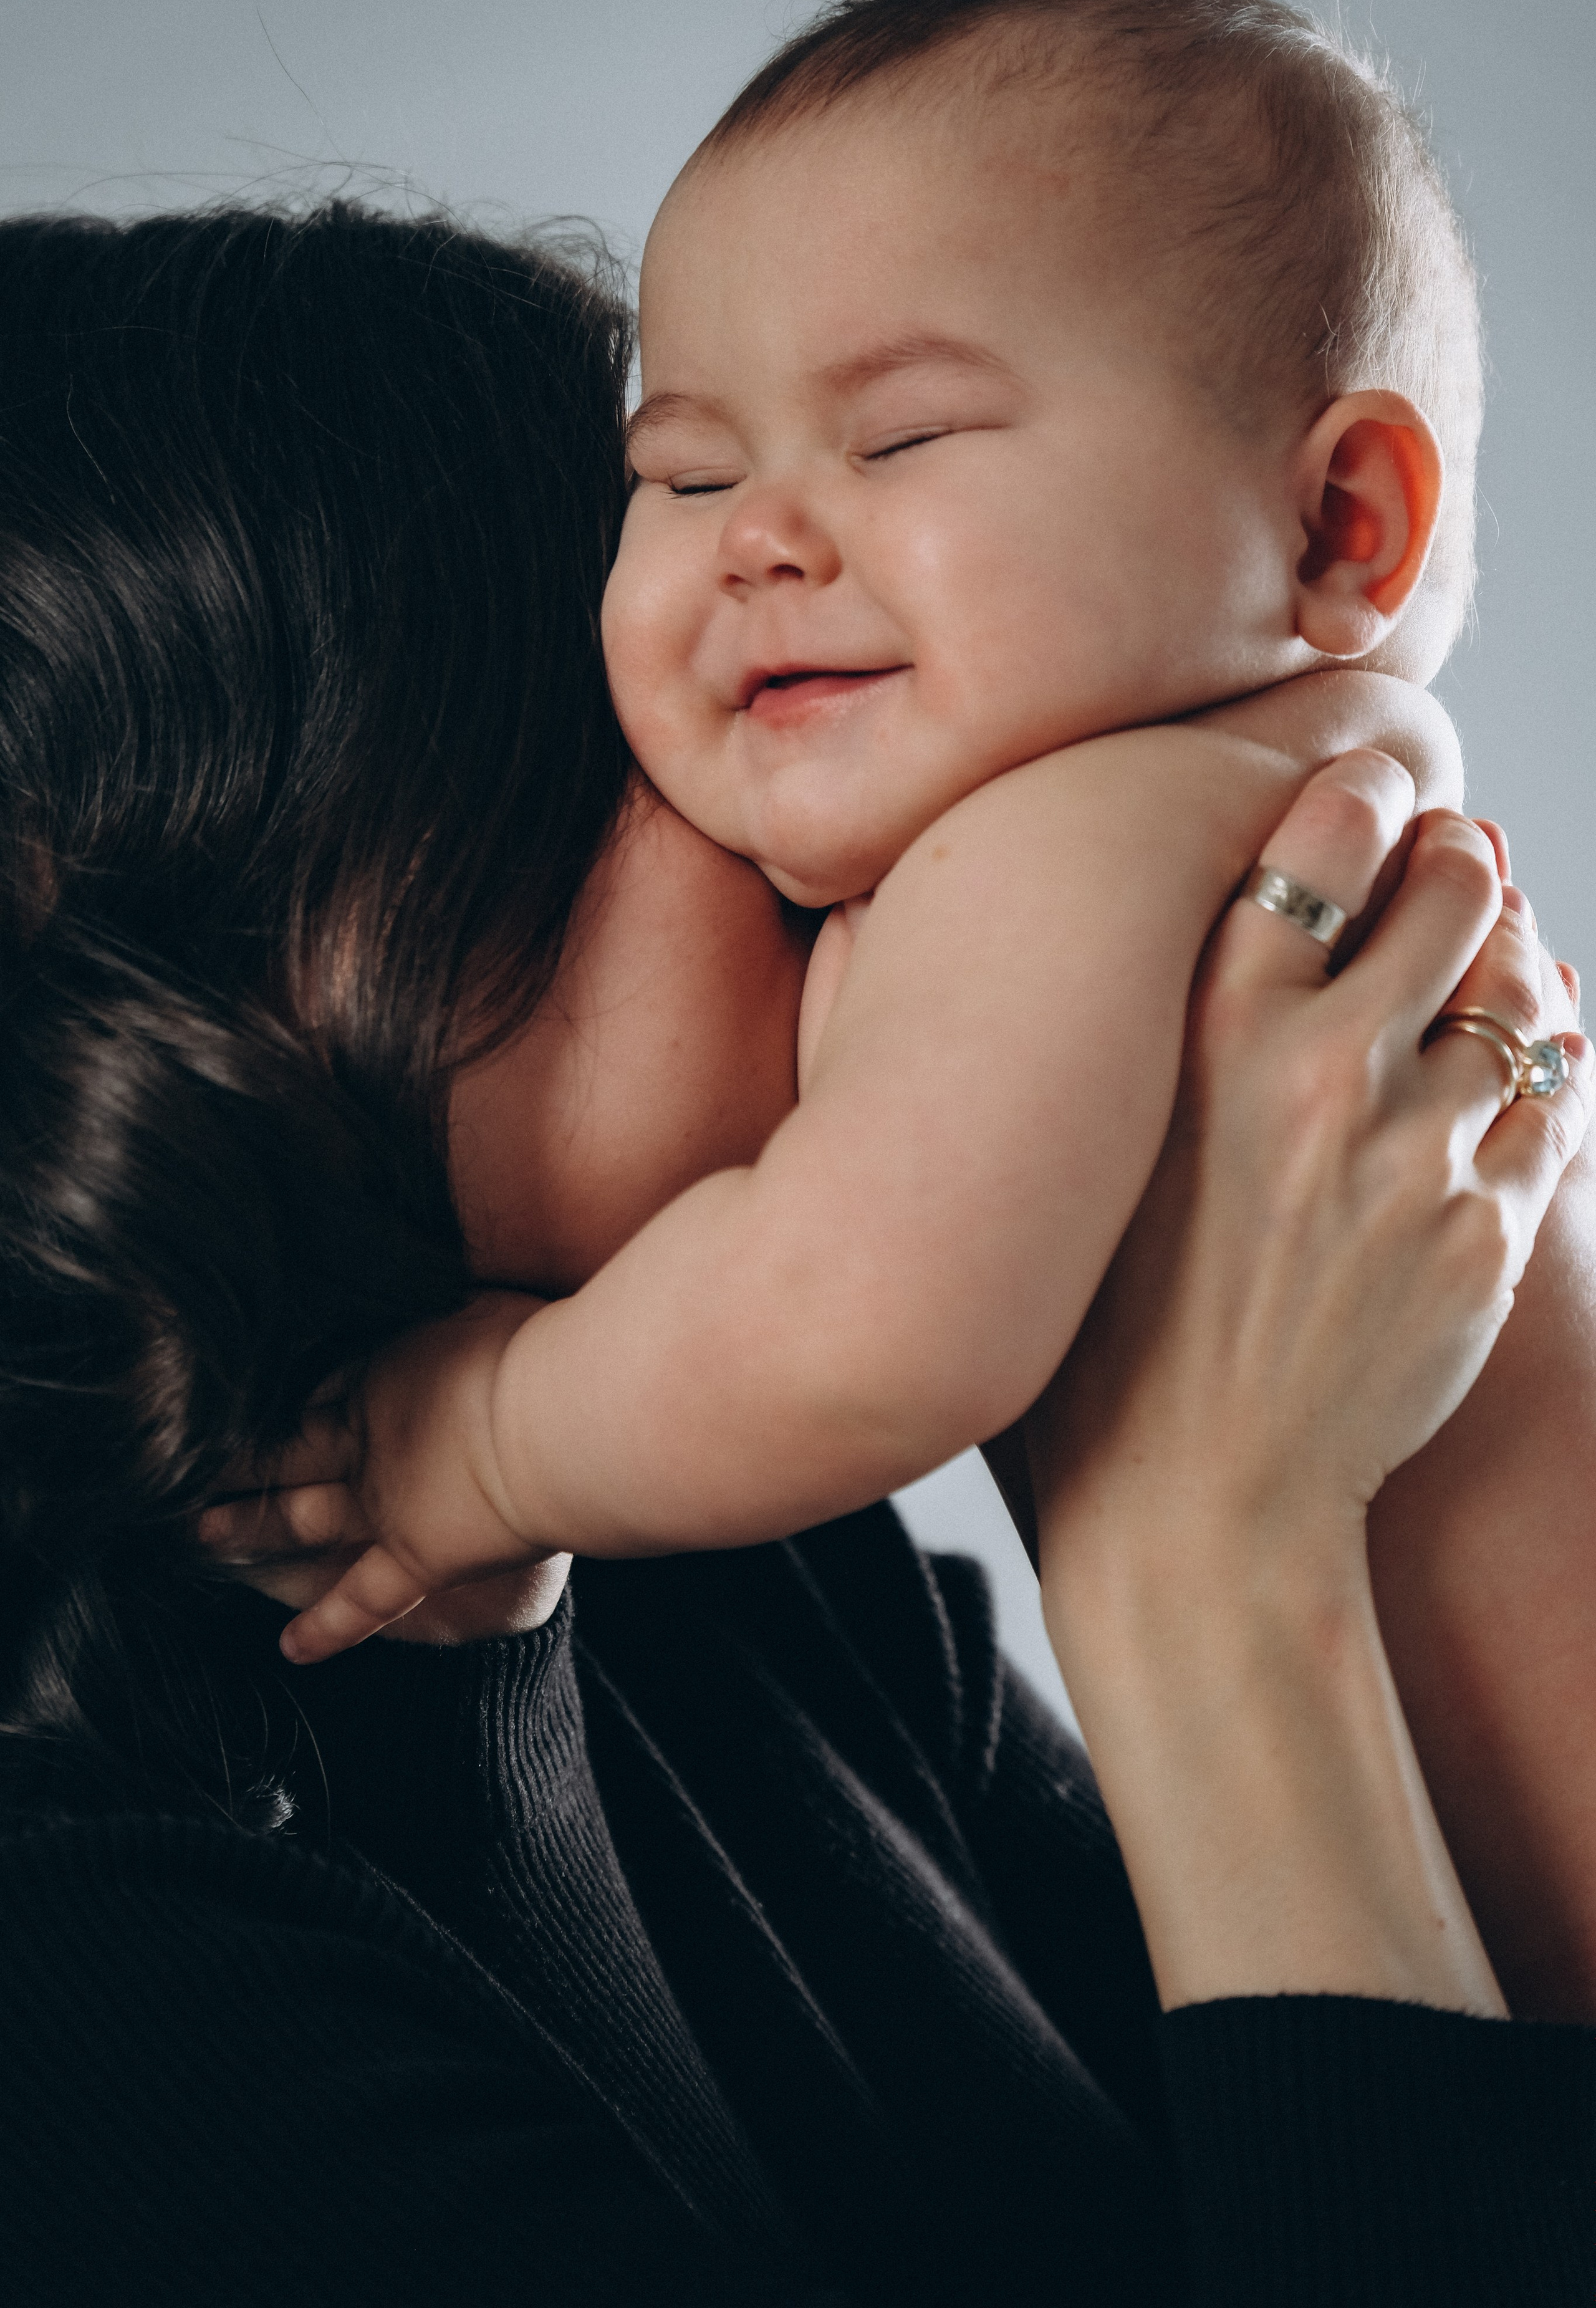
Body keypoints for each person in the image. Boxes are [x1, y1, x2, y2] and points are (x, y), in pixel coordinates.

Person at [0, 203, 1589, 2308]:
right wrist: (1210, 1549)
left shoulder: (755, 1577)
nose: (842, 771)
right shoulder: (100, 2020)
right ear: (217, 902)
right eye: (621, 691)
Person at [266, 0, 1499, 1660]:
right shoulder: (1269, 791)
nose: (759, 533)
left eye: (904, 438)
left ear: (1340, 525)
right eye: (688, 472)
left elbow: (862, 1325)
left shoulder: (1091, 829)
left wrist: (482, 1439)